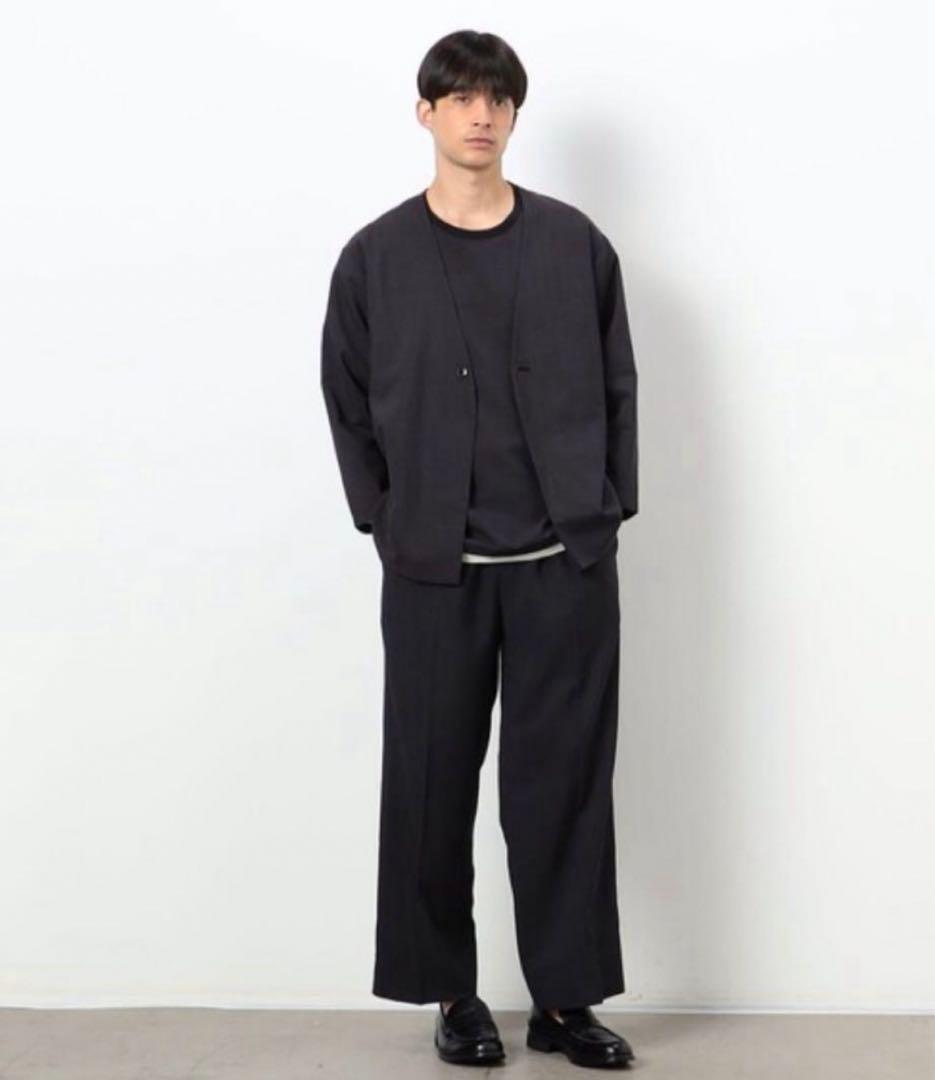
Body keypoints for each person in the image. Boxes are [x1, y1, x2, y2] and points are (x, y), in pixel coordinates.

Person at [320, 28, 638, 1070]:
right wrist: (387, 518)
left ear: (513, 114)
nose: (479, 115)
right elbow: (345, 397)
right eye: (459, 97)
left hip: (561, 568)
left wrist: (601, 512)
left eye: (496, 98)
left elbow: (618, 383)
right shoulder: (375, 258)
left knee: (563, 788)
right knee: (428, 785)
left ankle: (563, 1002)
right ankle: (452, 996)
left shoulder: (574, 244)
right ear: (425, 112)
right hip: (433, 572)